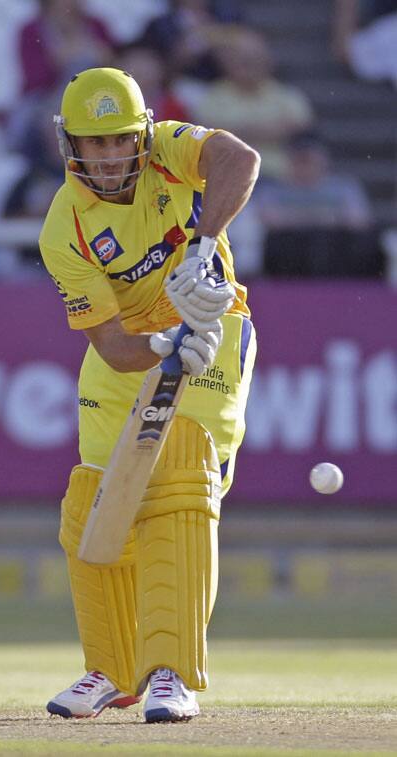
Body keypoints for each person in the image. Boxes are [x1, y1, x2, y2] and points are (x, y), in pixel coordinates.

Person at [39, 68, 259, 723]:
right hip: (135, 347)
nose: (108, 158)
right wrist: (163, 346)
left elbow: (238, 159)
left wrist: (204, 243)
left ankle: (170, 673)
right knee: (93, 494)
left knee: (180, 470)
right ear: (69, 144)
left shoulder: (170, 146)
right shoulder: (64, 227)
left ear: (142, 133)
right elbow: (111, 346)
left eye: (119, 141)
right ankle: (111, 669)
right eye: (93, 143)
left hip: (213, 325)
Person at [193, 30, 313, 179]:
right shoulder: (212, 97)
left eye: (255, 60)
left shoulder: (287, 96)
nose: (249, 68)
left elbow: (301, 129)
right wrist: (270, 130)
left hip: (279, 176)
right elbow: (206, 135)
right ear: (230, 63)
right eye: (244, 62)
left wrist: (235, 132)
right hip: (227, 178)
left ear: (267, 61)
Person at [256, 131, 376, 277]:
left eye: (309, 160)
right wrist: (326, 218)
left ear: (324, 160)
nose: (305, 166)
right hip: (289, 256)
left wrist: (299, 218)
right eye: (300, 160)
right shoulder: (272, 189)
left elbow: (359, 221)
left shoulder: (344, 187)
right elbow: (270, 221)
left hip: (335, 253)